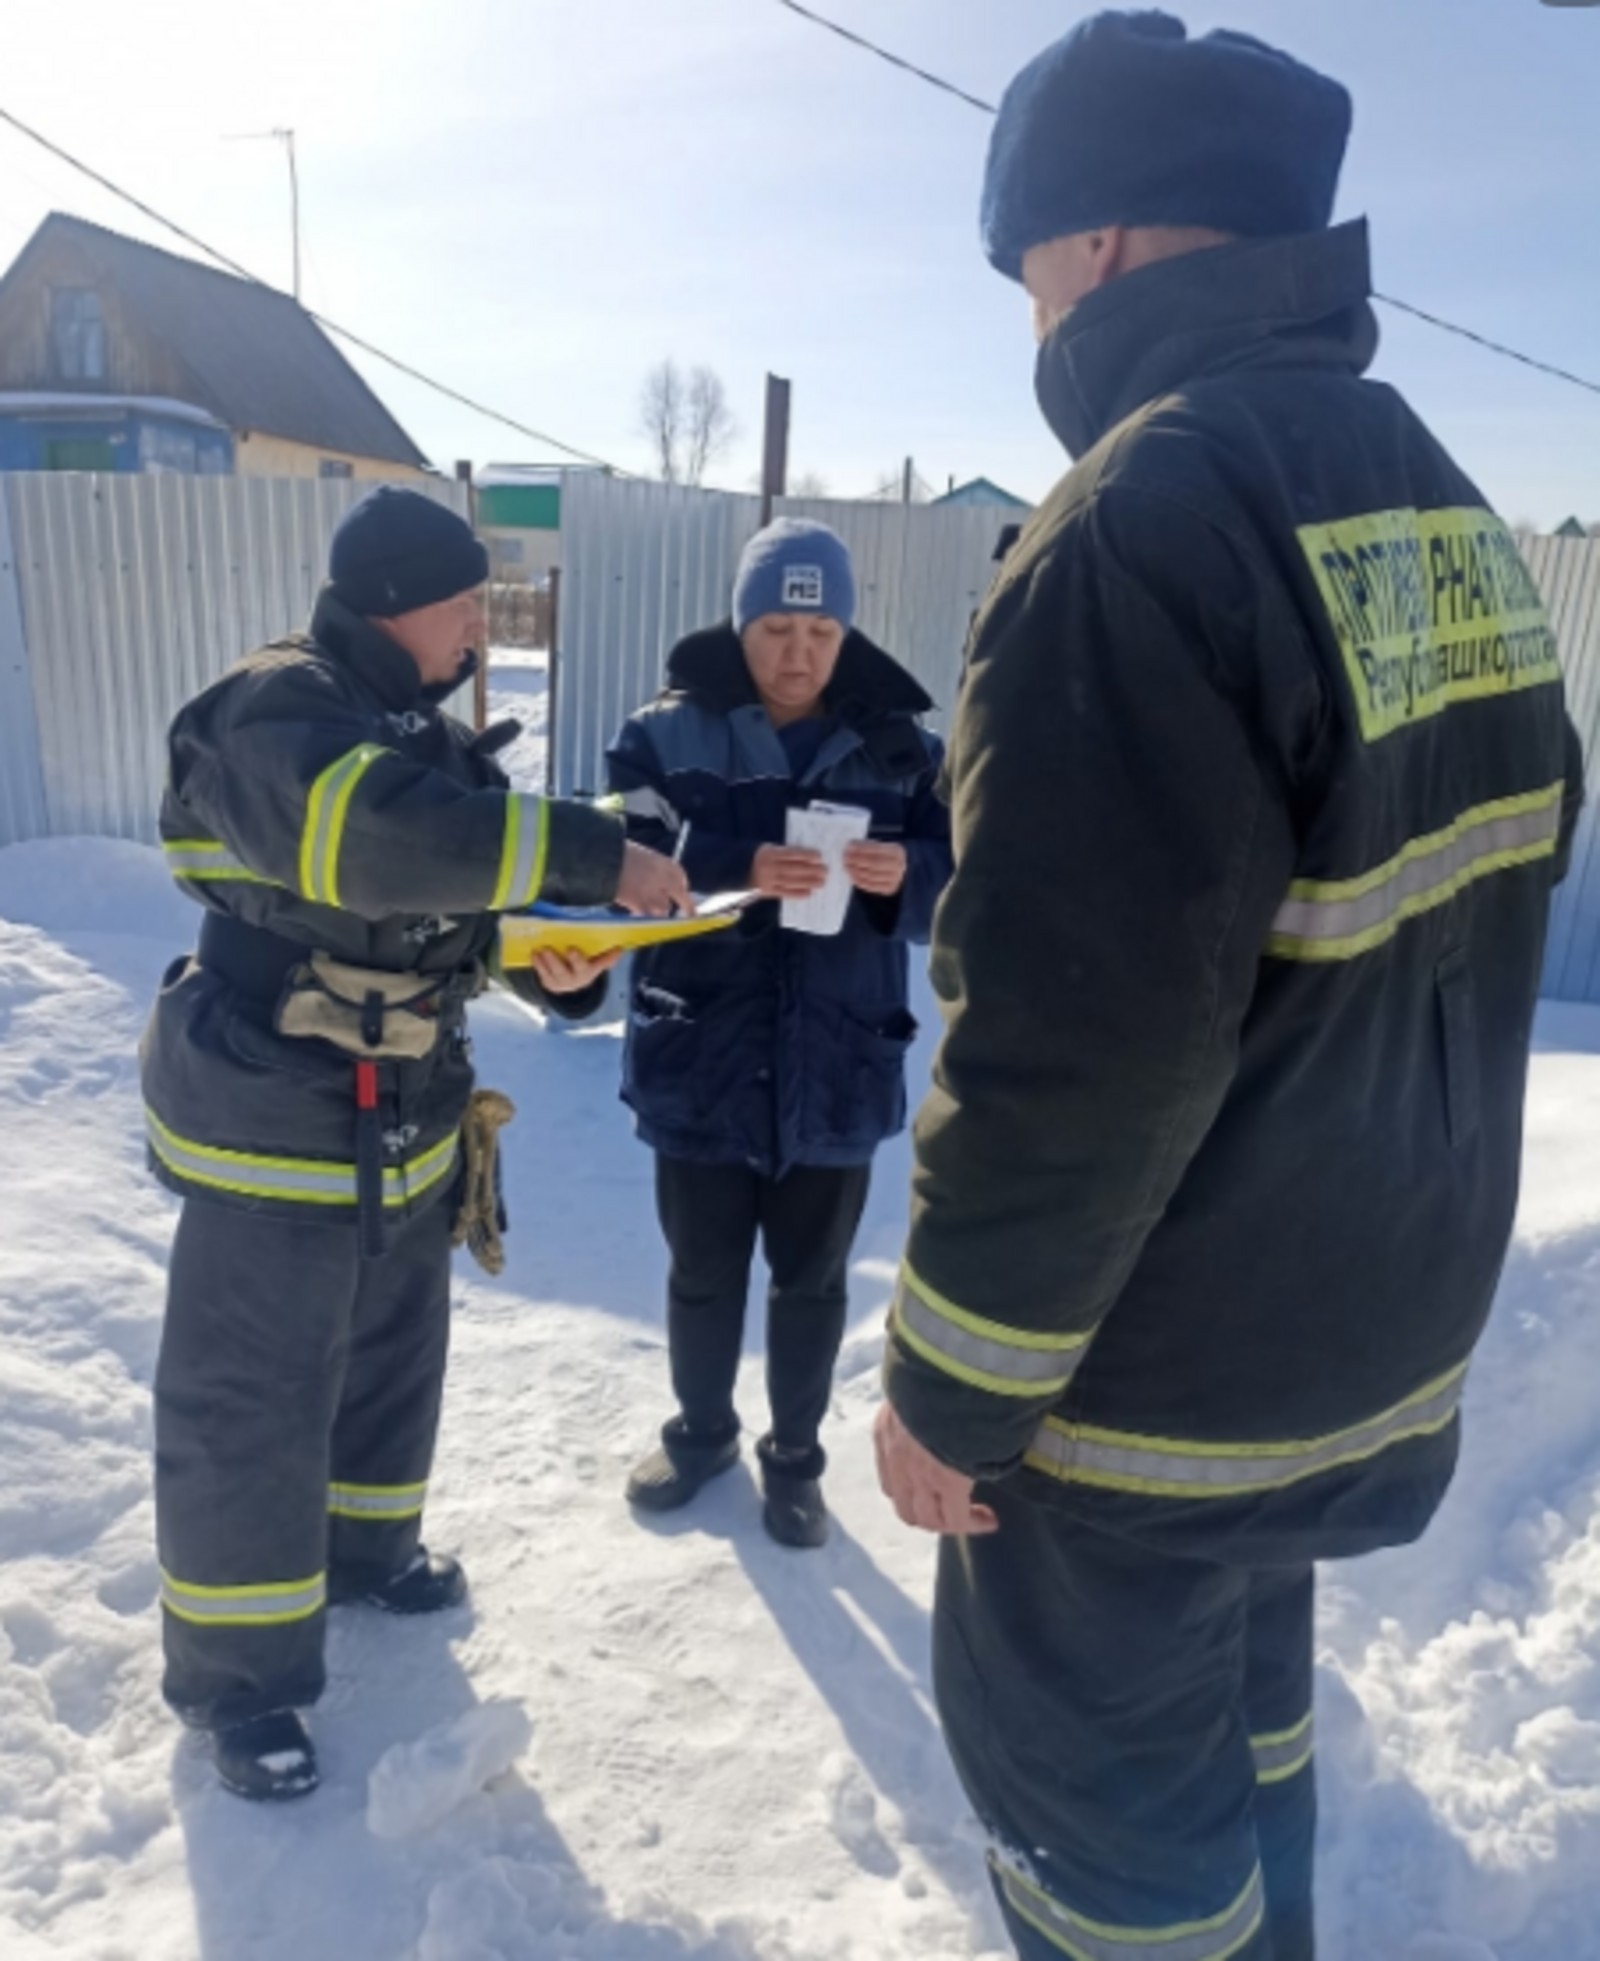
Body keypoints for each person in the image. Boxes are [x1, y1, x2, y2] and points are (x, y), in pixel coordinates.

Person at [872, 15, 1586, 1961]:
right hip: (1357, 1348)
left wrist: (951, 1382)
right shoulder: (1438, 506)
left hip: (1139, 1403)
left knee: (1106, 1831)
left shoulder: (1133, 522)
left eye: (1020, 266)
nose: (1024, 315)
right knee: (1242, 1721)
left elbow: (1067, 1042)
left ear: (1095, 246)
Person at [143, 486, 688, 1801]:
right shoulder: (277, 707)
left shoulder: (418, 732)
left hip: (404, 1119)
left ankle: (367, 1553)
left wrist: (557, 960)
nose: (480, 624)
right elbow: (377, 851)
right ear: (406, 596)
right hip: (277, 1119)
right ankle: (243, 1684)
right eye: (468, 599)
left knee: (393, 1355)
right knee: (252, 1403)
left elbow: (442, 917)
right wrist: (583, 851)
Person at [607, 519, 952, 1548]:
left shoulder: (905, 749)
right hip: (702, 1050)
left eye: (817, 628)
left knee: (810, 1279)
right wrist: (735, 860)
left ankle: (794, 1458)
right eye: (772, 626)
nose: (795, 652)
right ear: (738, 621)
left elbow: (961, 880)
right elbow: (621, 853)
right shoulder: (662, 734)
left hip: (836, 1059)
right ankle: (702, 1428)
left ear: (845, 630)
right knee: (700, 1268)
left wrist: (909, 877)